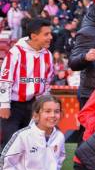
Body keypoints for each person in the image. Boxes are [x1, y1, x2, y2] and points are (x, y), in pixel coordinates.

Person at [0, 18, 54, 153]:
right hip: (14, 106)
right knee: (10, 145)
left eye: (50, 33)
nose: (51, 37)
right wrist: (4, 105)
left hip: (35, 106)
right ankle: (6, 167)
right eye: (46, 34)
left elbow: (47, 82)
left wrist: (44, 107)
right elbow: (5, 80)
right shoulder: (16, 52)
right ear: (34, 36)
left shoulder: (48, 55)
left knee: (32, 146)